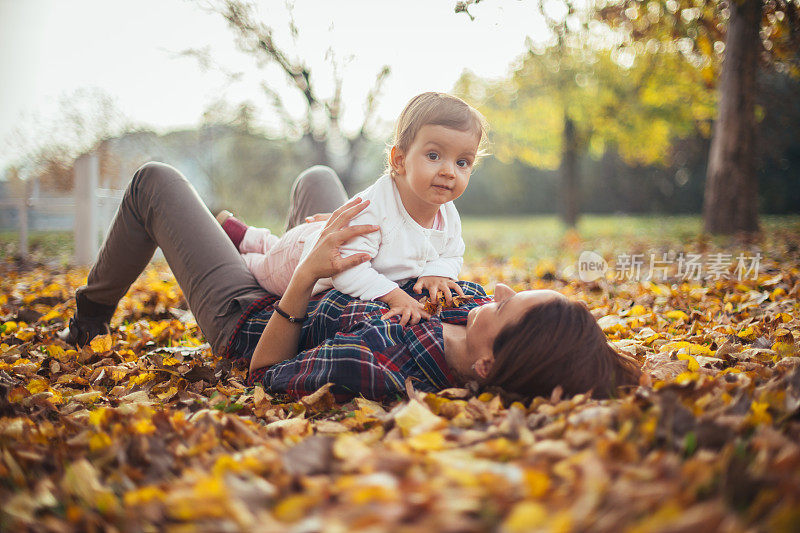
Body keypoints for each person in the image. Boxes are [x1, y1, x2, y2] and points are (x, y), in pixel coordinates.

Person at [61, 164, 641, 404]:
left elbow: (262, 377)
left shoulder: (381, 368)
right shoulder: (466, 304)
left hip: (255, 316)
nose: (503, 292)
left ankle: (91, 311)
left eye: (510, 310)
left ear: (487, 366)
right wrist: (327, 240)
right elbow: (403, 257)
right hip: (322, 279)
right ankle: (270, 243)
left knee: (153, 181)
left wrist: (309, 272)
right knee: (320, 178)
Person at [217, 92, 485, 327]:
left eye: (462, 162)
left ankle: (246, 234)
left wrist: (437, 271)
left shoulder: (446, 213)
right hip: (301, 254)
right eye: (434, 156)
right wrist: (393, 295)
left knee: (272, 244)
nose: (449, 171)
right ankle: (237, 249)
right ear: (400, 160)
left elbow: (453, 251)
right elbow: (345, 271)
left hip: (323, 235)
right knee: (262, 270)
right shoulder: (376, 210)